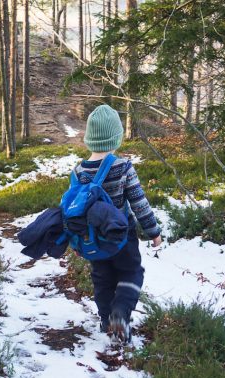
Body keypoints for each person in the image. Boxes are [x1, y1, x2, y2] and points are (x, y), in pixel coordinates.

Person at [75, 104, 162, 343]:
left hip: (95, 239)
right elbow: (139, 203)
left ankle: (105, 320)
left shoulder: (79, 171)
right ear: (116, 138)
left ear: (89, 139)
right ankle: (120, 314)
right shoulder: (122, 167)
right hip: (123, 236)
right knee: (131, 272)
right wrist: (153, 232)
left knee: (102, 278)